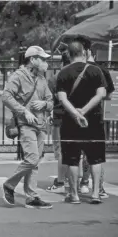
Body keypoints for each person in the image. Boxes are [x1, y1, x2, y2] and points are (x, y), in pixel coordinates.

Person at [1, 46, 54, 209]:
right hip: (26, 125)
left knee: (35, 162)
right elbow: (6, 96)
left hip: (41, 125)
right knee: (31, 158)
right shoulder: (18, 76)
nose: (45, 62)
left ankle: (32, 196)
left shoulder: (42, 79)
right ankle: (9, 185)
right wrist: (23, 111)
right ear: (33, 59)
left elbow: (51, 101)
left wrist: (45, 104)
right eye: (42, 59)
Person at [56, 39, 107, 204]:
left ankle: (74, 195)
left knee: (71, 158)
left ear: (69, 54)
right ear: (84, 53)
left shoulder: (63, 73)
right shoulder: (95, 71)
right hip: (94, 120)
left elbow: (62, 98)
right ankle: (95, 194)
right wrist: (84, 111)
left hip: (70, 122)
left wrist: (76, 113)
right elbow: (101, 94)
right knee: (96, 158)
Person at [73, 35, 113, 199]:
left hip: (75, 115)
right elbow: (108, 94)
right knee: (96, 154)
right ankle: (98, 188)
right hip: (95, 115)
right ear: (91, 52)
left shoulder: (70, 69)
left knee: (76, 151)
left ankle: (78, 187)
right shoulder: (101, 71)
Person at [46, 50, 71, 193]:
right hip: (78, 116)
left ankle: (61, 181)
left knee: (61, 150)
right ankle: (74, 181)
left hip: (60, 117)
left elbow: (51, 100)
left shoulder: (55, 78)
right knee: (75, 150)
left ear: (62, 62)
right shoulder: (82, 75)